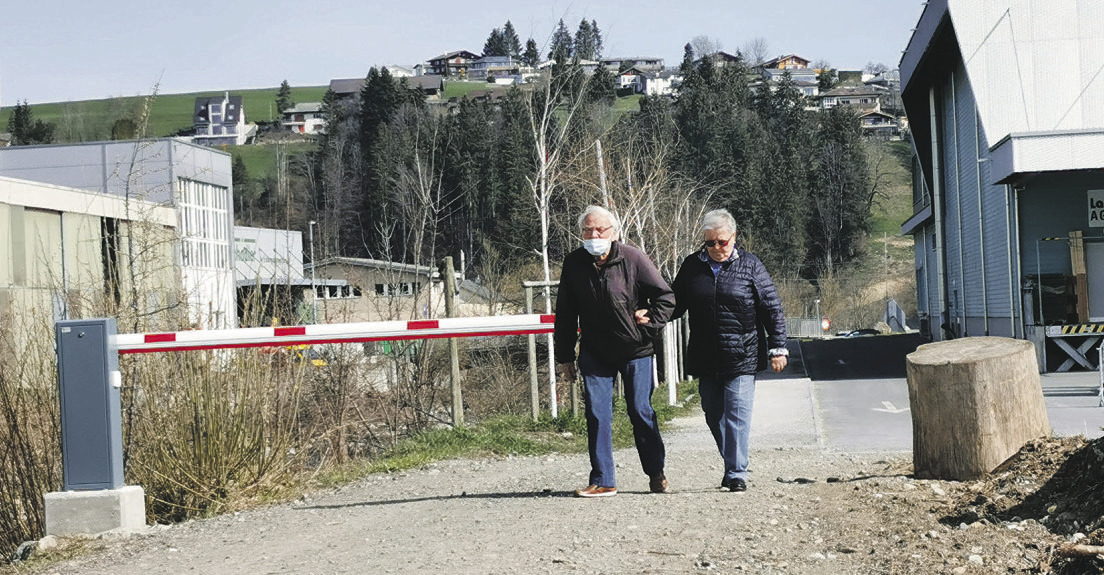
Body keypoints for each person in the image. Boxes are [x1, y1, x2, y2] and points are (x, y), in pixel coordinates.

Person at [554, 205, 676, 498]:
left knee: (640, 411)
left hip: (636, 350)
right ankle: (603, 479)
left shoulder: (632, 258)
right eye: (588, 230)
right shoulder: (574, 264)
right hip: (595, 351)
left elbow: (666, 297)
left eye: (600, 230)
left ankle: (656, 472)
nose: (594, 235)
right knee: (597, 413)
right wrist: (564, 357)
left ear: (614, 233)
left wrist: (649, 325)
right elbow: (566, 314)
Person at [669, 209, 788, 493]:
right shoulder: (692, 266)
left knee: (737, 413)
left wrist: (778, 348)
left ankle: (737, 473)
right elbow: (674, 303)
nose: (716, 248)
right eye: (710, 243)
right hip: (706, 354)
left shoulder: (751, 266)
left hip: (742, 355)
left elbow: (772, 308)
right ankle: (732, 462)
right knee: (713, 413)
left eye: (721, 241)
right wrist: (649, 315)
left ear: (733, 237)